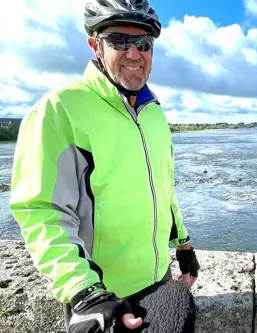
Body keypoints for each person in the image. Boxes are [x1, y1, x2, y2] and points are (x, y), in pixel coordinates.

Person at [9, 0, 200, 332]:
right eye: (118, 41)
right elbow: (41, 211)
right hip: (103, 295)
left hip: (159, 277)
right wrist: (85, 292)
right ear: (94, 44)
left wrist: (183, 244)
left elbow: (164, 188)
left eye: (143, 43)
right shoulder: (59, 110)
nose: (133, 53)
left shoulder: (154, 113)